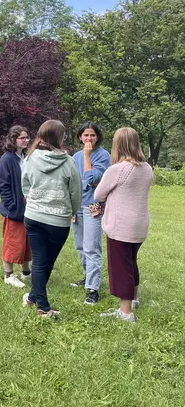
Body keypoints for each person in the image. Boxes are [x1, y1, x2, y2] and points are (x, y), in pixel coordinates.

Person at [21, 120, 82, 319]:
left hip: (33, 216)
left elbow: (25, 184)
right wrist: (70, 210)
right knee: (44, 262)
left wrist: (32, 200)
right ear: (60, 137)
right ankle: (43, 308)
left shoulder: (30, 158)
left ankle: (31, 298)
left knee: (41, 262)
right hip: (58, 220)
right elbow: (76, 192)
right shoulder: (69, 162)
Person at [95, 128, 153, 323]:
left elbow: (98, 195)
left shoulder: (117, 169)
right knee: (131, 261)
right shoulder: (146, 168)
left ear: (117, 145)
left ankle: (125, 312)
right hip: (140, 223)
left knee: (121, 267)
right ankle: (133, 299)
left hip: (121, 225)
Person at [70, 121, 111, 305]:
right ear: (80, 137)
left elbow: (93, 179)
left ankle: (93, 289)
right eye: (85, 135)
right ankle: (88, 277)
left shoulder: (103, 156)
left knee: (92, 247)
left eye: (92, 135)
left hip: (93, 206)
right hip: (76, 206)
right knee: (80, 246)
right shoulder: (75, 156)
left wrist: (87, 157)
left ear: (97, 137)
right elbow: (71, 182)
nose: (89, 138)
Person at [0, 126, 32, 288]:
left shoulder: (25, 156)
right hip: (13, 208)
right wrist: (11, 206)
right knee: (13, 241)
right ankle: (8, 275)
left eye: (27, 137)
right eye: (22, 138)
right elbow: (3, 186)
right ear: (13, 140)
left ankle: (26, 271)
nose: (26, 140)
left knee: (26, 240)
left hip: (27, 205)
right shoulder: (7, 159)